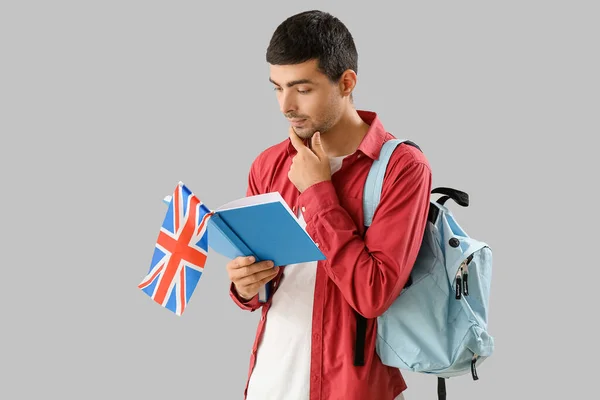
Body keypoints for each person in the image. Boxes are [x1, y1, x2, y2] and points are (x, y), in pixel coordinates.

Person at [225, 10, 432, 400]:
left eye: (302, 89)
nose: (286, 105)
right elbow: (268, 289)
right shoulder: (268, 165)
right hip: (269, 383)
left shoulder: (402, 169)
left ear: (347, 82)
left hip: (353, 390)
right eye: (277, 87)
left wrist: (319, 190)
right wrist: (246, 287)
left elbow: (373, 295)